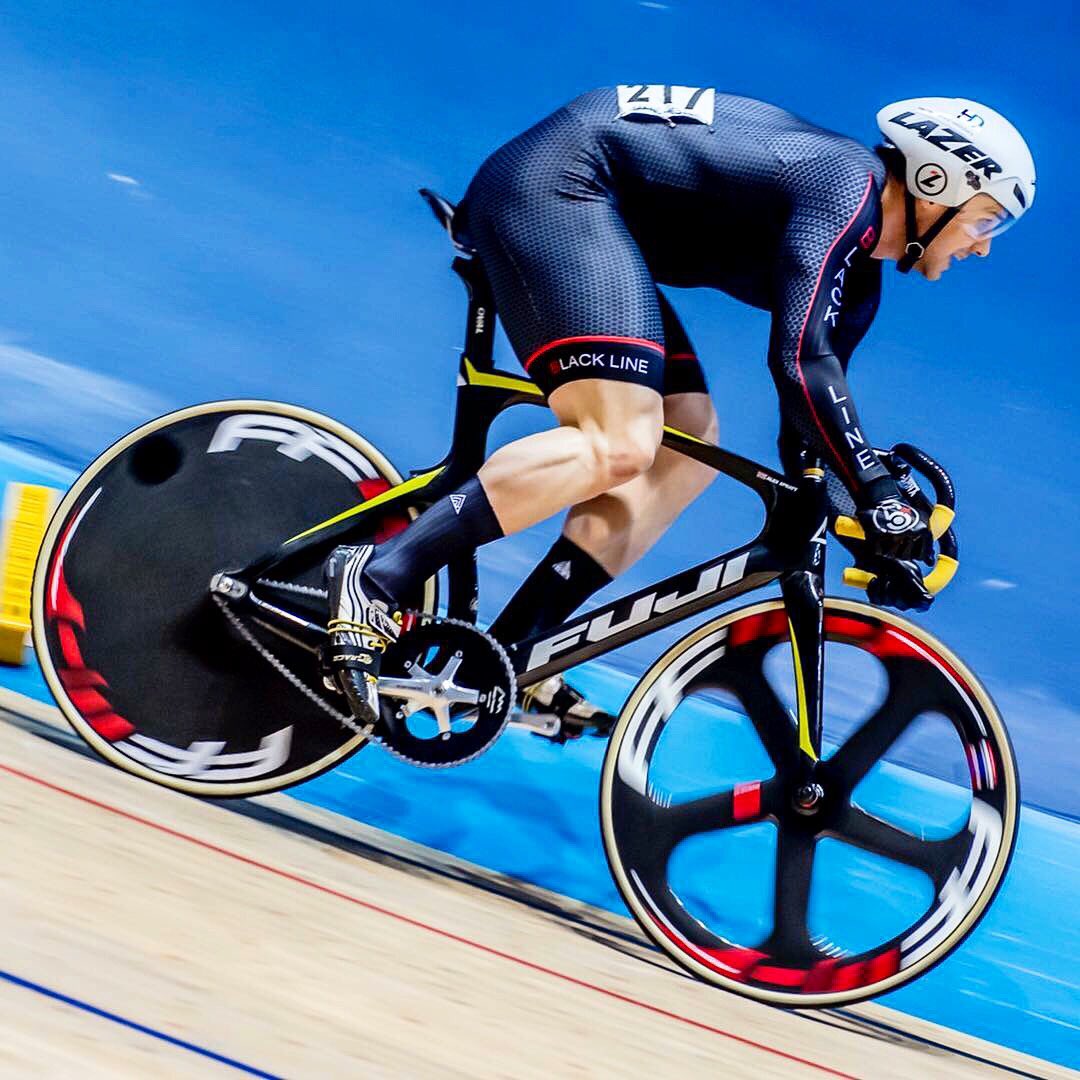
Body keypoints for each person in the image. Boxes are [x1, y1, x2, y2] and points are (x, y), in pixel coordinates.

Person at [323, 89, 1036, 728]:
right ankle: (374, 576)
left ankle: (511, 653)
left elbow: (810, 417)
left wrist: (866, 517)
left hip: (594, 212)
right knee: (620, 438)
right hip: (560, 182)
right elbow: (797, 362)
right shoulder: (845, 183)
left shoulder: (861, 282)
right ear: (935, 183)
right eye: (987, 222)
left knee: (686, 442)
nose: (982, 247)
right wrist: (879, 494)